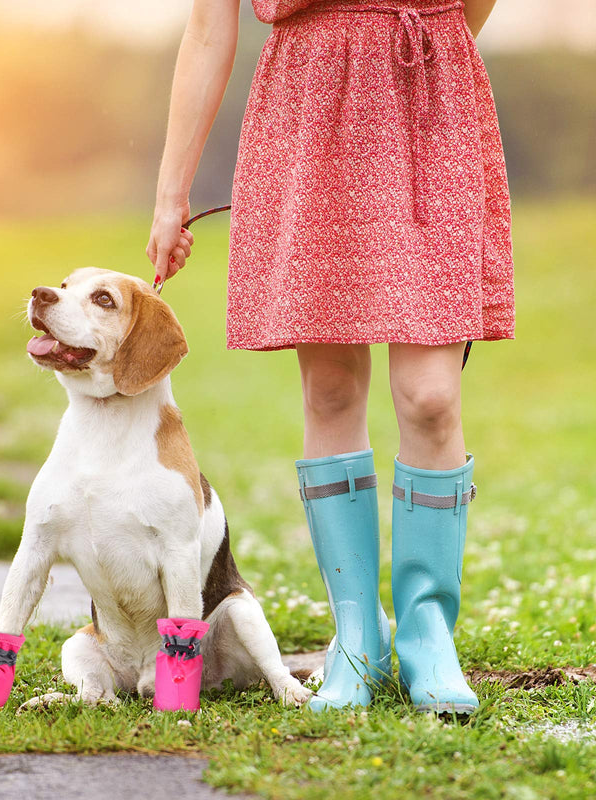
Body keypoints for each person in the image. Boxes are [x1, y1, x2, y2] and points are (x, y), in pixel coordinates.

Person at [146, 0, 514, 714]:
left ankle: (428, 634)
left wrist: (412, 48)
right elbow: (207, 27)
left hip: (427, 93)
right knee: (332, 392)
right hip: (312, 101)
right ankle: (357, 639)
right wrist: (170, 194)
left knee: (432, 396)